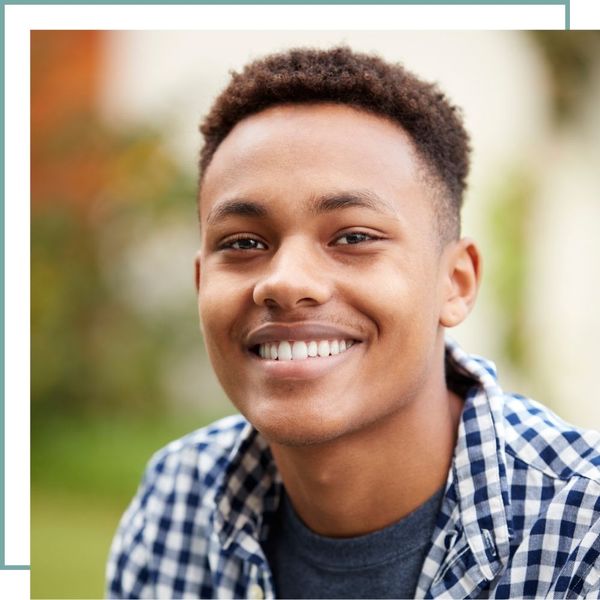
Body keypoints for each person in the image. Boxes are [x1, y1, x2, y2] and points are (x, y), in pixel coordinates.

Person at [106, 47, 600, 599]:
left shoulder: (585, 533)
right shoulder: (175, 502)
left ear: (455, 282)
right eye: (243, 243)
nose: (286, 282)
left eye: (353, 237)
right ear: (202, 284)